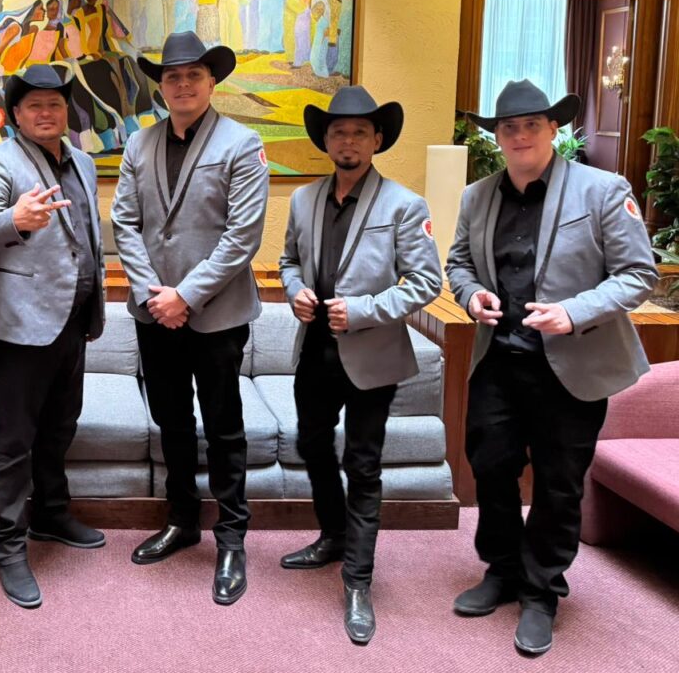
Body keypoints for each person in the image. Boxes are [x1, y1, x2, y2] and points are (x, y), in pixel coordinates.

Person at [446, 79, 657, 655]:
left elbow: (639, 274)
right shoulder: (476, 196)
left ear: (553, 129)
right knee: (490, 467)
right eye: (508, 127)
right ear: (496, 136)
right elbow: (458, 263)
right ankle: (502, 569)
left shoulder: (603, 189)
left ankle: (542, 590)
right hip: (499, 360)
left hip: (572, 366)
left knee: (559, 483)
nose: (519, 136)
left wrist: (572, 311)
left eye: (531, 125)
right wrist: (470, 296)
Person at [278, 85, 441, 643]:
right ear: (326, 141)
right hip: (314, 352)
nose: (347, 140)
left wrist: (365, 310)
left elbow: (426, 282)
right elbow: (288, 261)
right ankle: (333, 536)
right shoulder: (303, 200)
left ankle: (358, 579)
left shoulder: (404, 204)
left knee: (363, 464)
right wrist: (295, 290)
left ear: (377, 140)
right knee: (311, 446)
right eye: (338, 132)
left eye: (359, 132)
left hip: (372, 356)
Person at [112, 31, 269, 605]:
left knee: (225, 427)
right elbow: (124, 223)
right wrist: (154, 293)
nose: (182, 84)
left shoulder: (243, 143)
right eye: (172, 76)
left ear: (211, 82)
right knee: (172, 421)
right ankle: (182, 520)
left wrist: (187, 295)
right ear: (161, 86)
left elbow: (242, 236)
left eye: (193, 75)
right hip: (154, 312)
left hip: (216, 314)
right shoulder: (139, 143)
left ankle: (231, 538)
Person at [0, 64, 106, 609]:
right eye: (34, 106)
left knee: (59, 428)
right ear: (14, 115)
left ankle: (51, 514)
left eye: (55, 104)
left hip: (73, 320)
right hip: (18, 326)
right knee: (13, 443)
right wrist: (16, 219)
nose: (46, 113)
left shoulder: (83, 162)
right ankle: (9, 545)